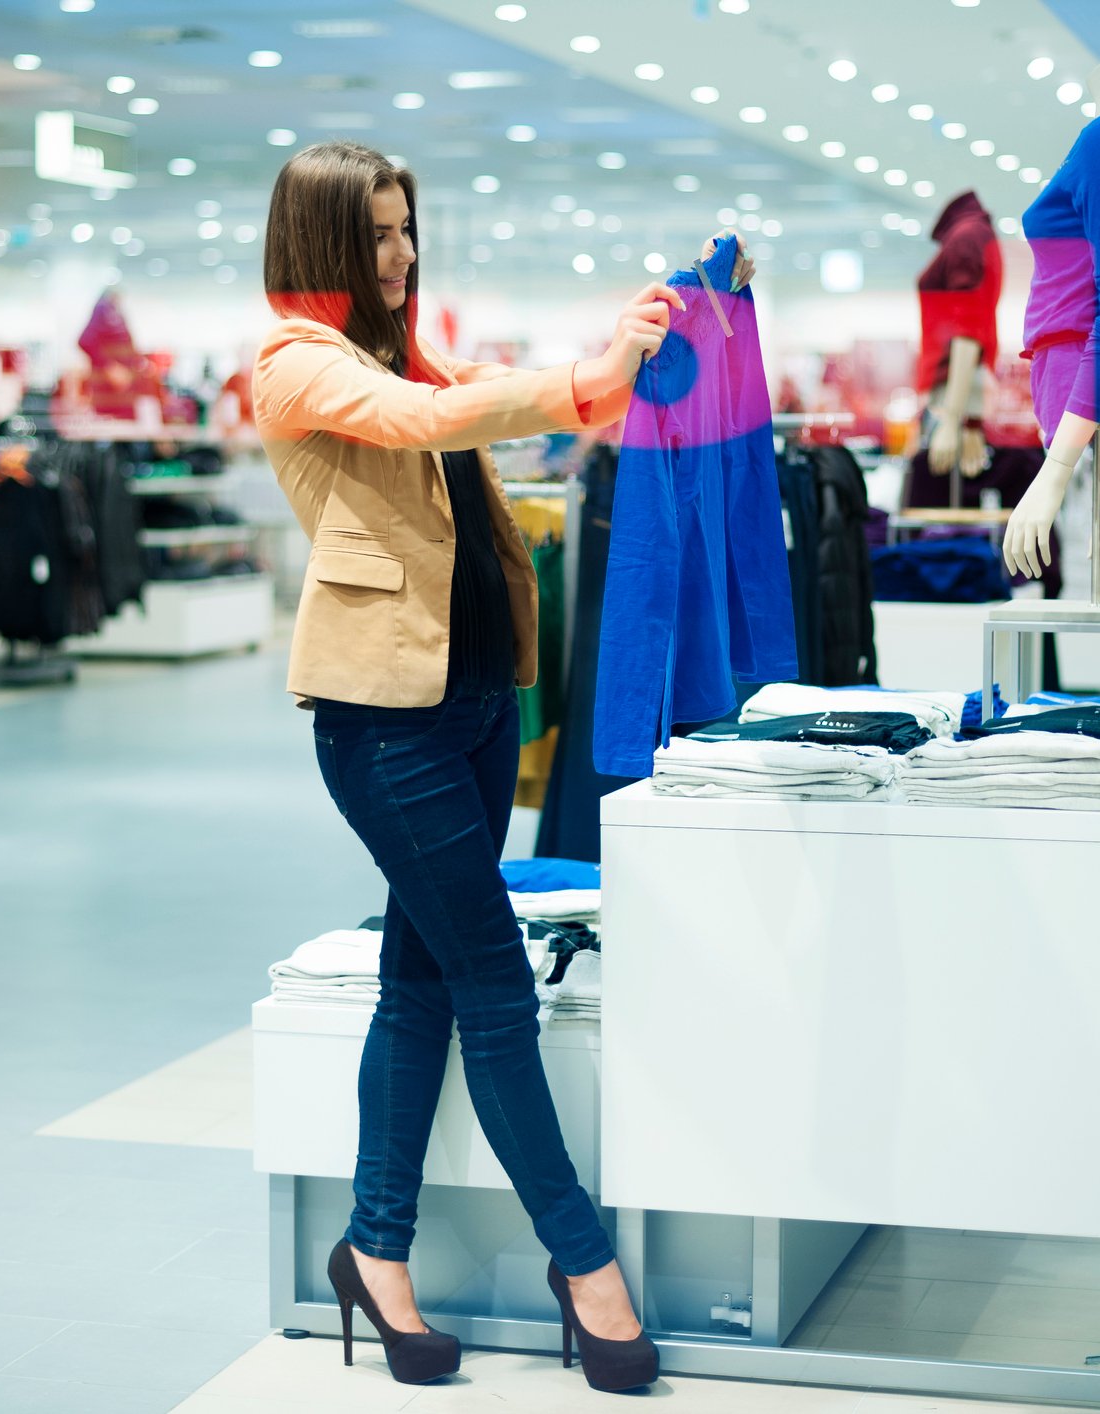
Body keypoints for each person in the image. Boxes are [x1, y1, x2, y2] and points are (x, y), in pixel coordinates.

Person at [252, 139, 750, 1394]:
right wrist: (582, 377)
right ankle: (585, 1269)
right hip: (383, 724)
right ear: (319, 241)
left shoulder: (407, 352)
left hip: (473, 702)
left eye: (408, 227)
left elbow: (468, 390)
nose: (401, 252)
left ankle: (375, 1250)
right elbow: (429, 418)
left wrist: (620, 348)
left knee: (420, 987)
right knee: (494, 984)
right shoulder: (300, 364)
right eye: (375, 233)